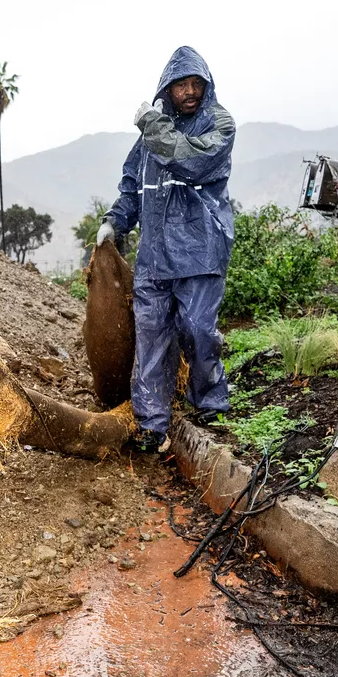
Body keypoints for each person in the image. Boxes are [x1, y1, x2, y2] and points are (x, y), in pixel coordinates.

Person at [98, 47, 235, 453]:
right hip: (154, 258)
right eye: (181, 85)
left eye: (196, 84)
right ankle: (151, 424)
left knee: (197, 330)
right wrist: (114, 221)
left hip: (200, 251)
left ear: (206, 86)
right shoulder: (150, 138)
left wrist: (151, 124)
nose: (190, 92)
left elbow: (191, 161)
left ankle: (209, 399)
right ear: (167, 89)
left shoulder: (218, 123)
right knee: (151, 338)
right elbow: (132, 188)